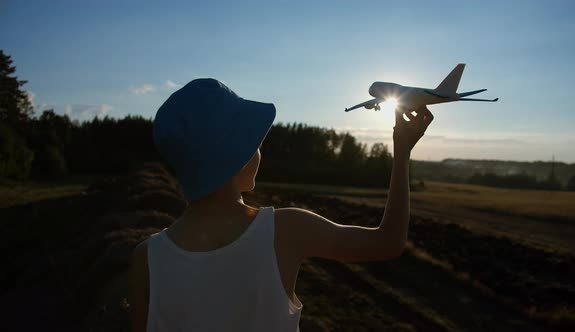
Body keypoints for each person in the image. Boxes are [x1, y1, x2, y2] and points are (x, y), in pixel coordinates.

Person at [128, 78, 434, 331]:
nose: (261, 153)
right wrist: (402, 151)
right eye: (257, 145)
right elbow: (388, 242)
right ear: (239, 156)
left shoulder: (146, 258)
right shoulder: (286, 229)